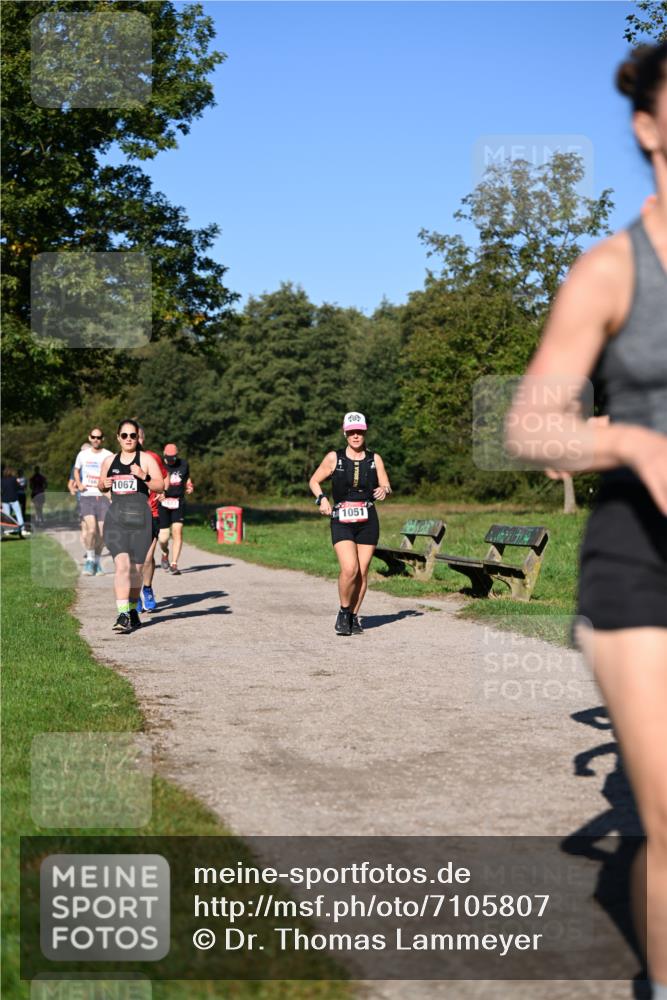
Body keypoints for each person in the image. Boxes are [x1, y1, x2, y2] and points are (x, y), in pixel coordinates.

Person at [506, 43, 667, 998]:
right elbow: (528, 423)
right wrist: (636, 445)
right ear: (646, 128)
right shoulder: (613, 270)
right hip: (640, 564)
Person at [309, 411, 391, 636]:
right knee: (349, 568)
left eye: (360, 432)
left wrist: (384, 490)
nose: (356, 436)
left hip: (368, 520)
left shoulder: (375, 459)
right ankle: (344, 611)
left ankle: (354, 616)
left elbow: (386, 484)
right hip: (342, 520)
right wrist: (322, 498)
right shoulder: (334, 458)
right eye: (352, 432)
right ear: (345, 433)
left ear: (364, 433)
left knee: (362, 572)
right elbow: (314, 481)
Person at [98, 419, 164, 633]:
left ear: (137, 438)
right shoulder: (109, 461)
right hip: (116, 518)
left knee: (136, 570)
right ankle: (123, 613)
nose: (128, 439)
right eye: (124, 435)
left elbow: (160, 485)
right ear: (118, 437)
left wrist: (143, 476)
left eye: (132, 435)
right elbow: (101, 485)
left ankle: (133, 611)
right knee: (122, 566)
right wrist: (103, 485)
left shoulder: (145, 460)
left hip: (140, 519)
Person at [135, 423, 169, 613]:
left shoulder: (152, 458)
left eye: (138, 436)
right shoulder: (120, 461)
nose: (134, 440)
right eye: (130, 436)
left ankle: (146, 589)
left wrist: (163, 491)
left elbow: (165, 478)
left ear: (143, 439)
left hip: (152, 512)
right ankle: (135, 594)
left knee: (147, 557)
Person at [73, 429, 113, 575]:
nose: (96, 439)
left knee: (102, 533)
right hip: (87, 496)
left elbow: (114, 473)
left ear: (103, 439)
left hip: (103, 497)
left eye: (99, 437)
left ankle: (97, 562)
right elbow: (76, 471)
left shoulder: (108, 455)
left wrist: (110, 492)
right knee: (91, 530)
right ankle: (89, 560)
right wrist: (79, 483)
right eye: (94, 437)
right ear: (89, 438)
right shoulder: (82, 454)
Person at [158, 443, 194, 576]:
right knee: (163, 538)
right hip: (163, 502)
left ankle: (174, 564)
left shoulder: (184, 464)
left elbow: (187, 478)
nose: (171, 460)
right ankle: (164, 553)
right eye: (169, 457)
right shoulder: (159, 465)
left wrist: (189, 485)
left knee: (177, 531)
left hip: (178, 501)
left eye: (174, 457)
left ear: (177, 455)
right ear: (164, 454)